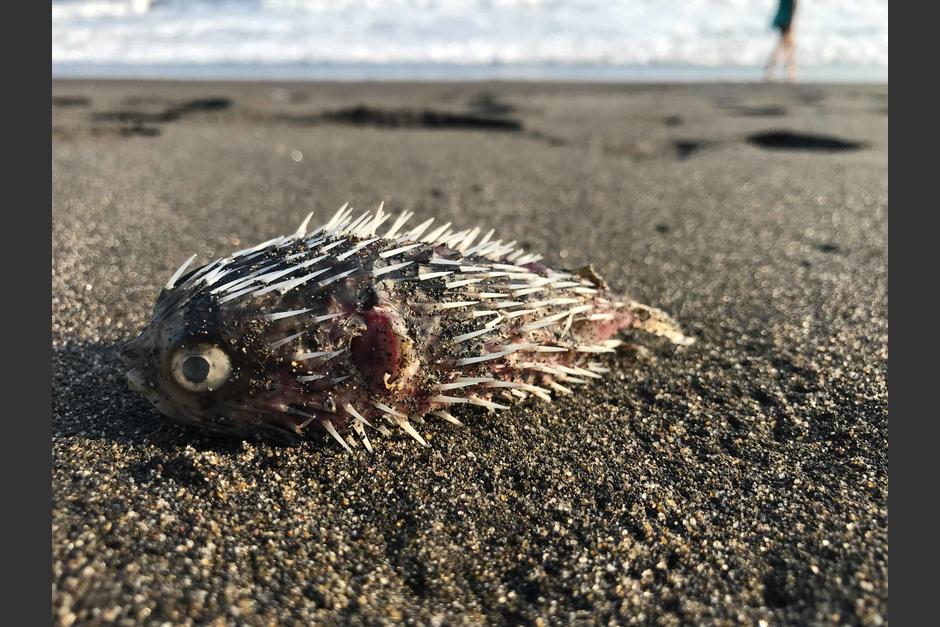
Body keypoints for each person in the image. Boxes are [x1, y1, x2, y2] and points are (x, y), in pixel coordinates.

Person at [765, 0, 798, 82]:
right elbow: (792, 8)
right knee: (788, 48)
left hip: (782, 20)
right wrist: (790, 25)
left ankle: (770, 71)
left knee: (782, 47)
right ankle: (790, 73)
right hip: (786, 22)